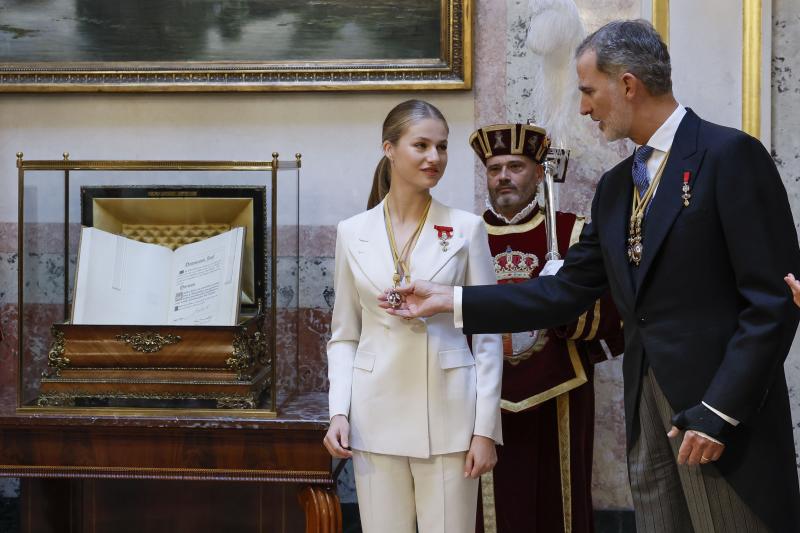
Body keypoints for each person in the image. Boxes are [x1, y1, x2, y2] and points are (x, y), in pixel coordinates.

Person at [383, 21, 800, 533]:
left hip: (717, 410)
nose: (583, 108)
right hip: (647, 404)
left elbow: (772, 302)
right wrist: (450, 299)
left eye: (587, 91)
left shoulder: (729, 156)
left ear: (627, 84)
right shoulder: (617, 186)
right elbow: (564, 291)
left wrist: (721, 410)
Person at [323, 99, 503, 533]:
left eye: (442, 147)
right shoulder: (353, 232)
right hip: (373, 416)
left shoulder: (466, 229)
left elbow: (488, 337)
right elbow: (344, 335)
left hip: (450, 418)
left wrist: (485, 430)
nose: (434, 158)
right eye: (421, 145)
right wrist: (338, 412)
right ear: (389, 149)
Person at [470, 123, 624, 533]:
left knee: (559, 507)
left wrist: (568, 298)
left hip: (559, 393)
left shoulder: (573, 233)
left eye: (515, 166)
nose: (503, 176)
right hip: (483, 399)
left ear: (540, 174)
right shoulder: (464, 237)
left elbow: (611, 316)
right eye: (494, 168)